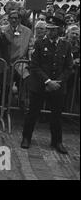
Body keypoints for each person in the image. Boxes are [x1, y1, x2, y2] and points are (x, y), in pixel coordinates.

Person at [21, 16, 73, 154]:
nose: (50, 32)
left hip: (57, 87)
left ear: (60, 30)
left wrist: (58, 82)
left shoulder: (66, 45)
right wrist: (48, 81)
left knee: (56, 116)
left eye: (53, 30)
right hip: (40, 85)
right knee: (33, 113)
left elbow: (69, 67)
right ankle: (26, 137)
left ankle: (57, 141)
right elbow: (34, 66)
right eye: (48, 29)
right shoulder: (39, 43)